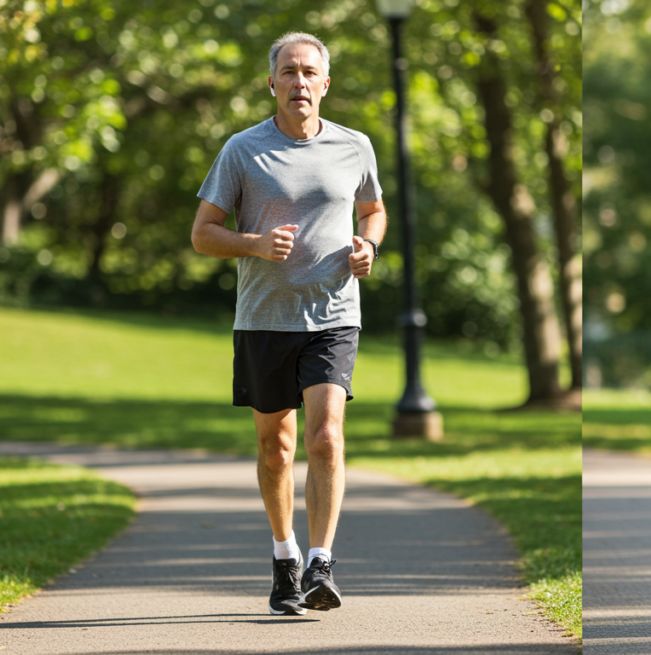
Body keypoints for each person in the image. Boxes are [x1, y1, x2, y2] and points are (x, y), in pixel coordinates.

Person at [191, 32, 387, 616]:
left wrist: (369, 246)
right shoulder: (242, 150)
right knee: (276, 448)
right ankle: (285, 557)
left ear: (325, 83)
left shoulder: (354, 146)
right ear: (271, 82)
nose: (299, 81)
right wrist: (253, 243)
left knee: (326, 437)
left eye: (309, 72)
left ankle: (321, 563)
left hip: (333, 314)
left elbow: (373, 210)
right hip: (263, 318)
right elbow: (203, 233)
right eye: (289, 71)